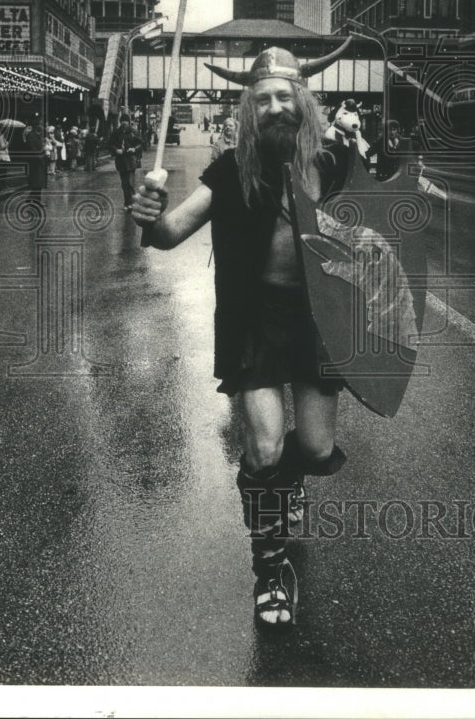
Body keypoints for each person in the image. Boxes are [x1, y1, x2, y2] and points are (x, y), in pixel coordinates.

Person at [132, 42, 352, 628]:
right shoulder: (230, 171)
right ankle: (271, 568)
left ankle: (286, 488)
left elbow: (378, 245)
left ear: (304, 102)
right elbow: (167, 234)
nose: (276, 107)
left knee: (314, 450)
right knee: (265, 447)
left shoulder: (334, 165)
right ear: (248, 109)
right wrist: (148, 211)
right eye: (263, 100)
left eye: (286, 96)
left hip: (318, 324)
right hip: (254, 322)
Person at [110, 113, 143, 211]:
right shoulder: (116, 133)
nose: (124, 123)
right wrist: (116, 150)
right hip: (120, 161)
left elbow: (141, 143)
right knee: (124, 184)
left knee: (131, 183)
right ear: (120, 122)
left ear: (129, 122)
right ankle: (127, 203)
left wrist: (134, 149)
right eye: (122, 121)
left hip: (131, 160)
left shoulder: (134, 132)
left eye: (126, 121)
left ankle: (132, 203)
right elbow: (110, 144)